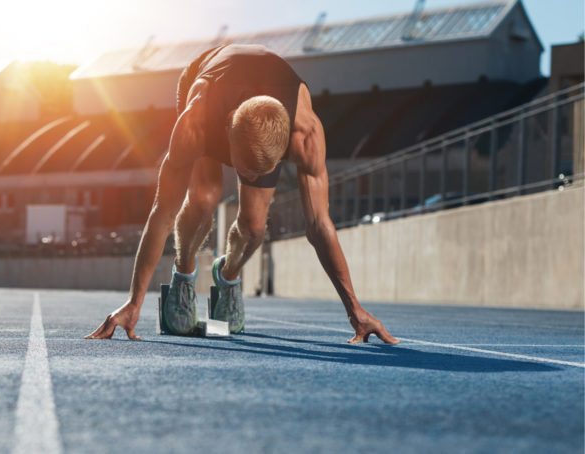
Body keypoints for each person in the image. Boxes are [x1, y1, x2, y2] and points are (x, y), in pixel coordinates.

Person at [86, 45, 397, 344]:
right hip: (206, 80)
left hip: (263, 105)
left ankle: (228, 274)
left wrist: (354, 309)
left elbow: (319, 225)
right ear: (227, 135)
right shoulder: (197, 122)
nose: (246, 179)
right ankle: (183, 275)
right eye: (242, 168)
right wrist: (134, 302)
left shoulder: (306, 134)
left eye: (257, 174)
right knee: (204, 198)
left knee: (254, 226)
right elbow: (163, 212)